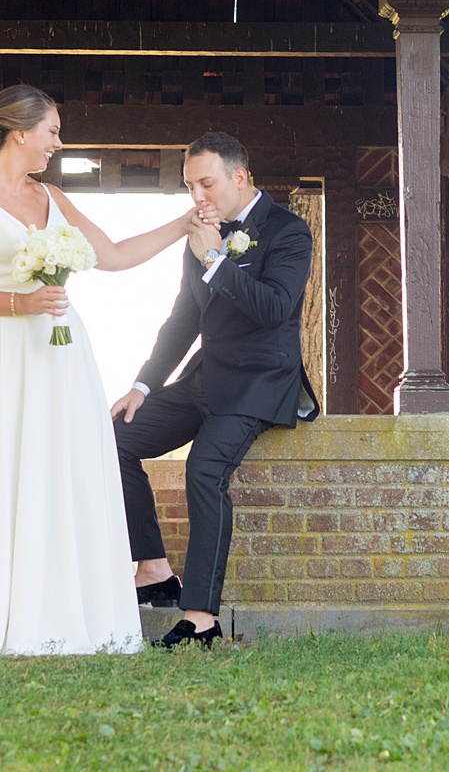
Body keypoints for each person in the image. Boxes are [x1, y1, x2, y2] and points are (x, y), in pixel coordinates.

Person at [0, 84, 192, 656]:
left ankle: (74, 614)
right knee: (13, 471)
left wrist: (184, 223)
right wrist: (21, 303)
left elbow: (114, 255)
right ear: (20, 132)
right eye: (52, 132)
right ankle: (6, 618)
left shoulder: (50, 196)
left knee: (69, 471)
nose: (57, 143)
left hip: (64, 354)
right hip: (3, 357)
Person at [110, 131, 320, 649]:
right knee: (114, 438)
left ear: (239, 176)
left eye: (206, 184)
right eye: (189, 187)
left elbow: (274, 308)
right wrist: (143, 384)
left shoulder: (288, 231)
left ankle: (201, 617)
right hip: (204, 379)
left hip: (259, 382)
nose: (197, 198)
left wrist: (217, 261)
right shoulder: (202, 236)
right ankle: (154, 569)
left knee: (203, 469)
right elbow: (184, 319)